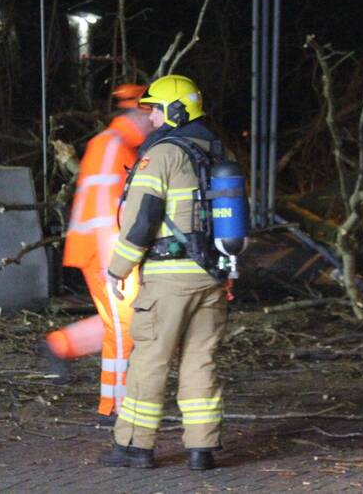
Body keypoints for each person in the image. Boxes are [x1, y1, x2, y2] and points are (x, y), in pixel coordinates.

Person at [99, 74, 229, 472]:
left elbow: (141, 221)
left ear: (174, 111)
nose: (151, 119)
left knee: (149, 361)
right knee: (200, 361)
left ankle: (135, 446)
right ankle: (201, 450)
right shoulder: (220, 152)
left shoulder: (164, 154)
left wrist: (117, 268)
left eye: (154, 110)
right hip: (212, 277)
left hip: (169, 279)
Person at [40, 84, 151, 425]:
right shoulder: (113, 147)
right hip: (106, 252)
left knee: (120, 324)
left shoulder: (114, 146)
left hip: (104, 251)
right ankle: (115, 407)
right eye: (149, 115)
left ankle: (61, 344)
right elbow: (107, 211)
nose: (154, 123)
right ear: (135, 113)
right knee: (126, 328)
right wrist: (118, 264)